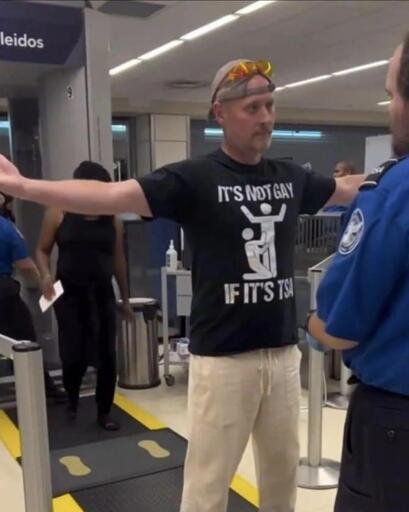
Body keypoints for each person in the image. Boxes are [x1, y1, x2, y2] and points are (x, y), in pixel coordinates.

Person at [0, 59, 364, 512]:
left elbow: (349, 188)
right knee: (207, 487)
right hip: (223, 362)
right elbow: (109, 195)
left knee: (281, 477)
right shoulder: (194, 178)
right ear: (220, 113)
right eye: (253, 107)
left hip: (281, 356)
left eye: (270, 105)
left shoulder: (290, 179)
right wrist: (26, 187)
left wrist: (393, 176)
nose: (267, 117)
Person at [308, 33, 409, 512]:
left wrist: (302, 319)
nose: (390, 108)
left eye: (392, 94)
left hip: (395, 425)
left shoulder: (391, 194)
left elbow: (339, 329)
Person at [36, 161, 132, 431]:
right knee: (73, 354)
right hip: (68, 293)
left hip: (101, 292)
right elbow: (42, 249)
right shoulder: (58, 211)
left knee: (107, 356)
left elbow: (118, 260)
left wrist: (125, 299)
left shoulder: (112, 218)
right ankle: (72, 401)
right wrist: (44, 275)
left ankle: (104, 411)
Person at [0, 192, 65, 403]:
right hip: (4, 295)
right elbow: (25, 265)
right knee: (24, 343)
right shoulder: (7, 228)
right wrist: (44, 282)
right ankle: (44, 391)